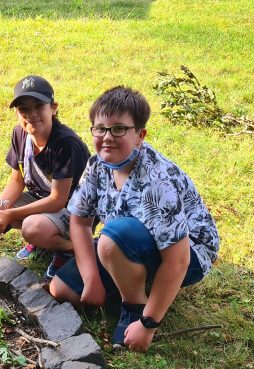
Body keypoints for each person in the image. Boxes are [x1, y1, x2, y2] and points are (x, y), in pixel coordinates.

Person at [50, 86, 220, 352]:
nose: (107, 137)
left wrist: (148, 323)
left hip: (190, 253)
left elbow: (179, 259)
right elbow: (80, 221)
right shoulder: (97, 165)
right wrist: (92, 278)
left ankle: (134, 305)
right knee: (62, 290)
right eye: (100, 128)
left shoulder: (156, 182)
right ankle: (127, 275)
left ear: (140, 135)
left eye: (119, 129)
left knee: (111, 238)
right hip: (127, 240)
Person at [0, 75, 90, 279]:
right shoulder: (20, 134)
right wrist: (0, 208)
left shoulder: (66, 143)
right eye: (23, 109)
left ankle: (72, 248)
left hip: (76, 211)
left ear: (53, 107)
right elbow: (16, 181)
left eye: (39, 106)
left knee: (32, 228)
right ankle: (44, 237)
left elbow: (58, 200)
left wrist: (10, 215)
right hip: (42, 198)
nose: (31, 114)